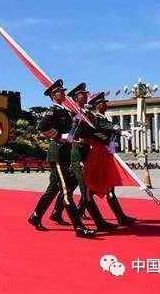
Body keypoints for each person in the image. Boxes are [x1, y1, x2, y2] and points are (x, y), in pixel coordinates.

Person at [27, 79, 96, 238]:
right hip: (57, 153)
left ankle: (36, 216)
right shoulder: (53, 110)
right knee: (66, 192)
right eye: (61, 92)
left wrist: (75, 125)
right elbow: (42, 127)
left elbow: (71, 129)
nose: (64, 93)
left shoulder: (64, 110)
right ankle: (79, 228)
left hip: (65, 152)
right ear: (54, 95)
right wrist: (59, 136)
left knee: (52, 189)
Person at [49, 83, 118, 232]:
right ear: (76, 97)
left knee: (72, 185)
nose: (86, 96)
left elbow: (93, 131)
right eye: (83, 94)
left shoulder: (85, 112)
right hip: (77, 152)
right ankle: (97, 223)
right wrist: (62, 136)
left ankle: (55, 212)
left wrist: (109, 141)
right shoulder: (72, 112)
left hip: (87, 152)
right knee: (85, 189)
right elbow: (61, 130)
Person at [88, 92, 137, 226]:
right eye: (103, 102)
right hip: (99, 156)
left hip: (105, 155)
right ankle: (120, 217)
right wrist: (121, 131)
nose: (105, 104)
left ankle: (120, 217)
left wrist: (112, 141)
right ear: (97, 105)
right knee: (95, 188)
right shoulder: (98, 119)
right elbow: (108, 127)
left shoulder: (103, 118)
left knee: (102, 187)